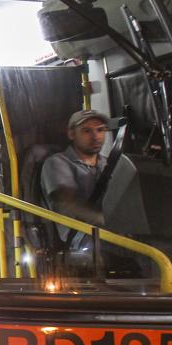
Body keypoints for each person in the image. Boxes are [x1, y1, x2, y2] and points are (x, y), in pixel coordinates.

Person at [40, 109, 136, 263]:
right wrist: (106, 220)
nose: (95, 136)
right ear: (72, 134)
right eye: (87, 131)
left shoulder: (110, 164)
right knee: (143, 250)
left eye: (100, 130)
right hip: (81, 236)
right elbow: (66, 201)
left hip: (114, 230)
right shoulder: (57, 163)